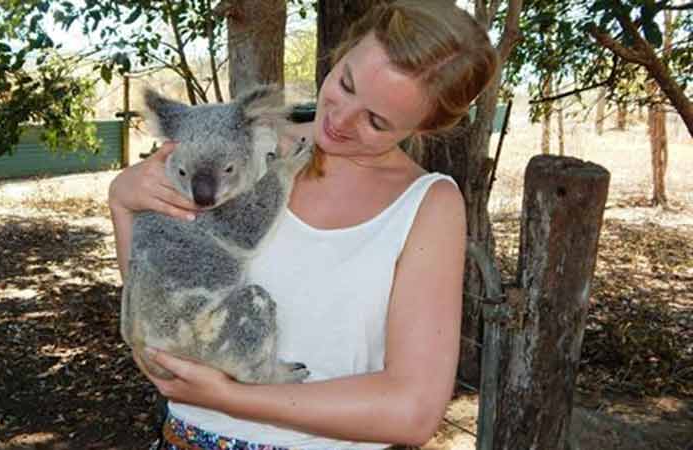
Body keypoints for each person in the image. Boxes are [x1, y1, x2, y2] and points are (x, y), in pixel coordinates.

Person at [108, 1, 498, 448]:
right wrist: (123, 205)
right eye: (346, 84)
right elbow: (167, 301)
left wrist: (234, 397)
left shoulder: (428, 205)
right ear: (341, 52)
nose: (340, 119)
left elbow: (412, 411)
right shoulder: (239, 150)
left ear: (425, 127)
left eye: (376, 121)